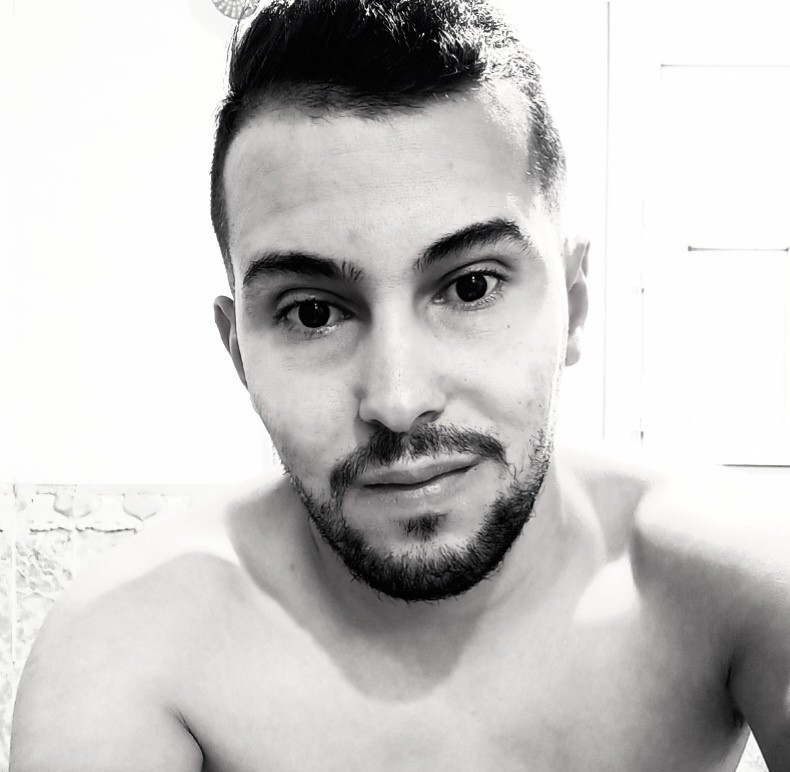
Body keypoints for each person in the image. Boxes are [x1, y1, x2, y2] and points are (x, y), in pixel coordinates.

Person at [10, 1, 790, 770]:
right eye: (313, 313)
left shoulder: (730, 578)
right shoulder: (131, 649)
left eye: (472, 287)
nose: (397, 398)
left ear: (575, 304)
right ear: (239, 352)